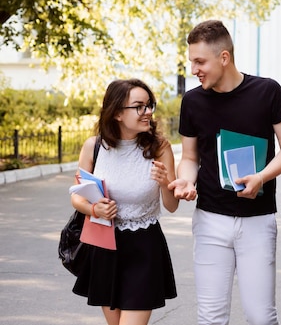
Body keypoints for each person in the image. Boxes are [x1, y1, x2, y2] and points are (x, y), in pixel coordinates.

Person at [167, 19, 281, 325]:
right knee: (211, 318)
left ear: (223, 57)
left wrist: (261, 177)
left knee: (261, 317)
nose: (194, 69)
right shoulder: (193, 101)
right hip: (210, 220)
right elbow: (189, 157)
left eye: (200, 61)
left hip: (258, 221)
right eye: (191, 62)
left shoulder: (267, 92)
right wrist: (186, 181)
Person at [71, 78, 195, 325]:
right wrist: (95, 208)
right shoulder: (94, 147)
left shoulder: (159, 148)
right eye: (139, 106)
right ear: (117, 112)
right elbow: (77, 196)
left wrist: (163, 182)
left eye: (149, 105)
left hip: (144, 247)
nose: (147, 112)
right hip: (104, 246)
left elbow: (171, 205)